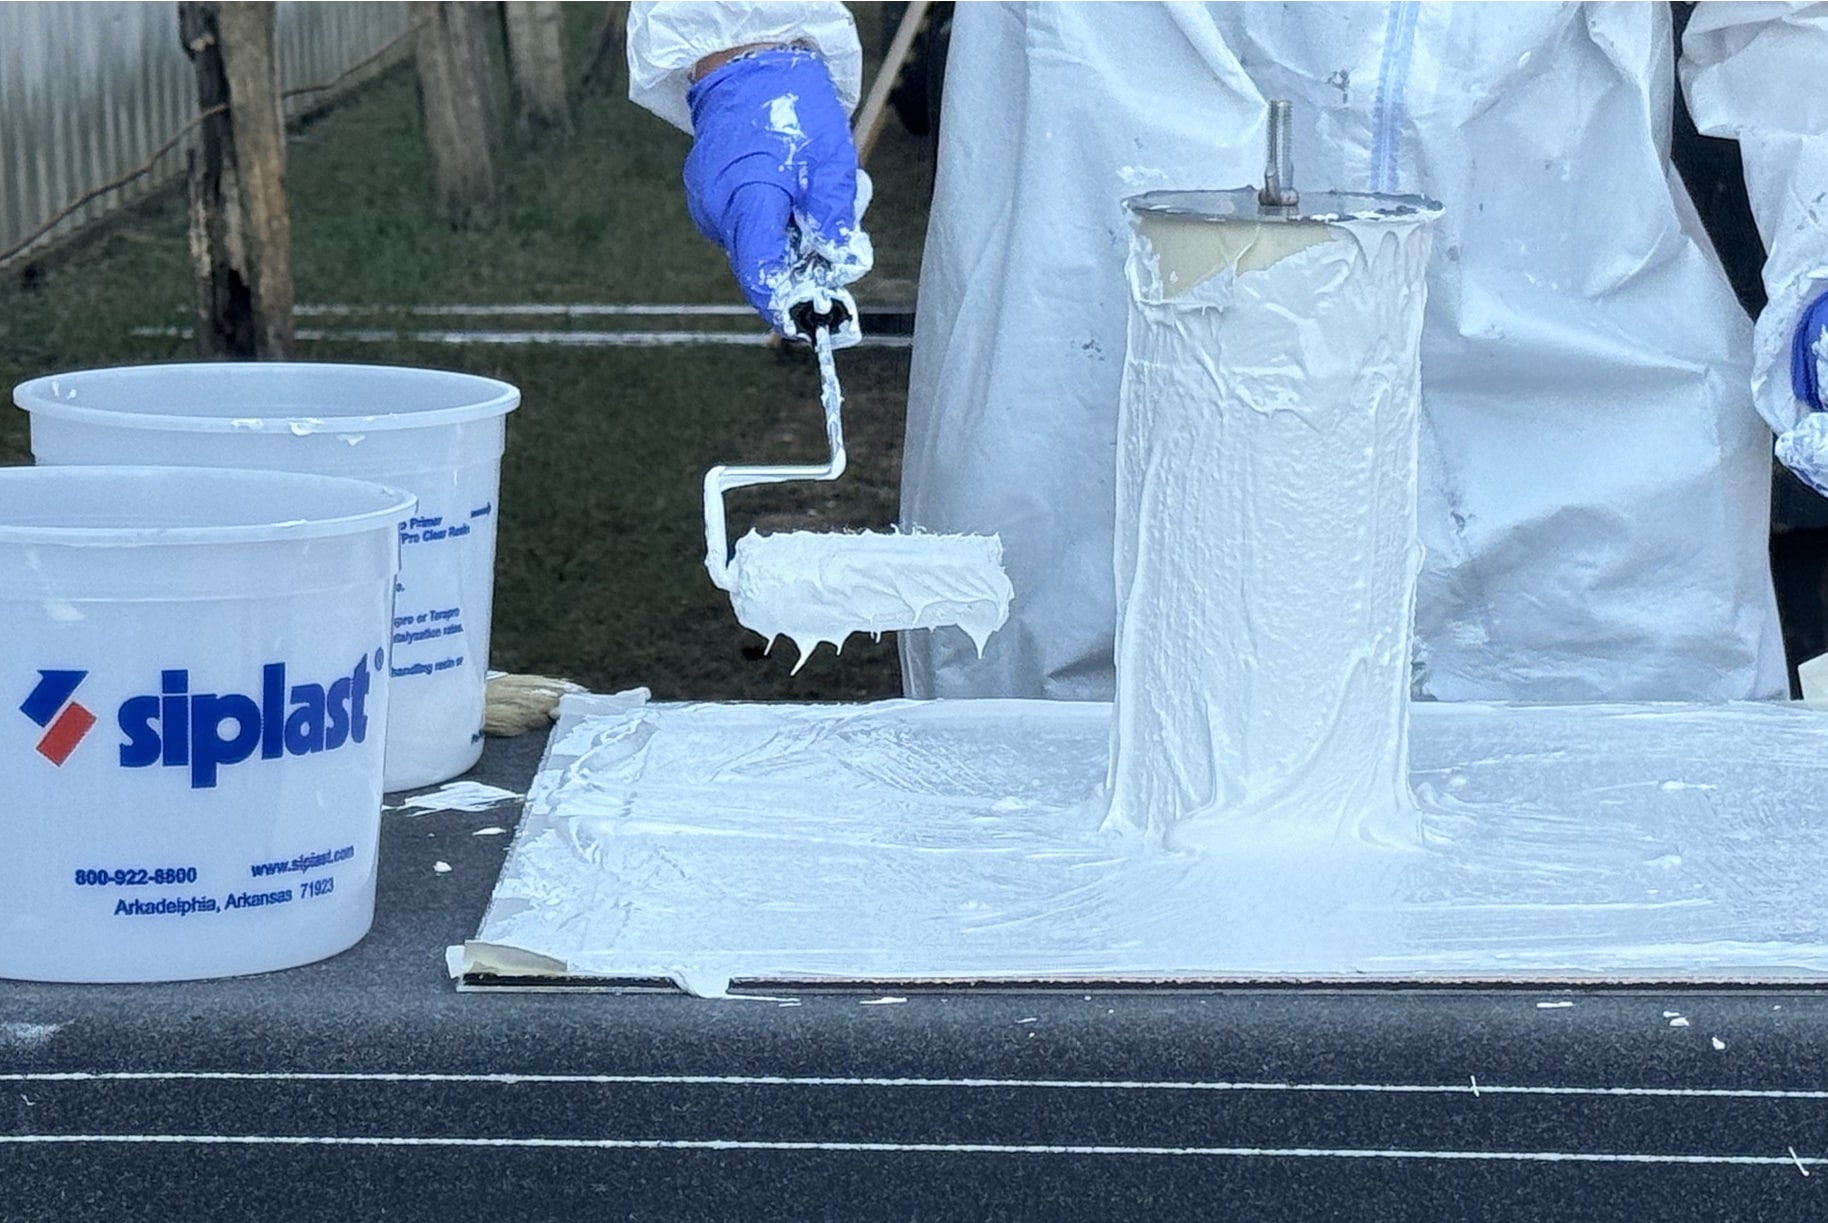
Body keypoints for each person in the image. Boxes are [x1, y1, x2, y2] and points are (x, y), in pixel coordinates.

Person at [629, 2, 1828, 703]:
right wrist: (748, 44)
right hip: (1097, 366)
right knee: (1099, 1009)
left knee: (1620, 1002)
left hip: (1565, 409)